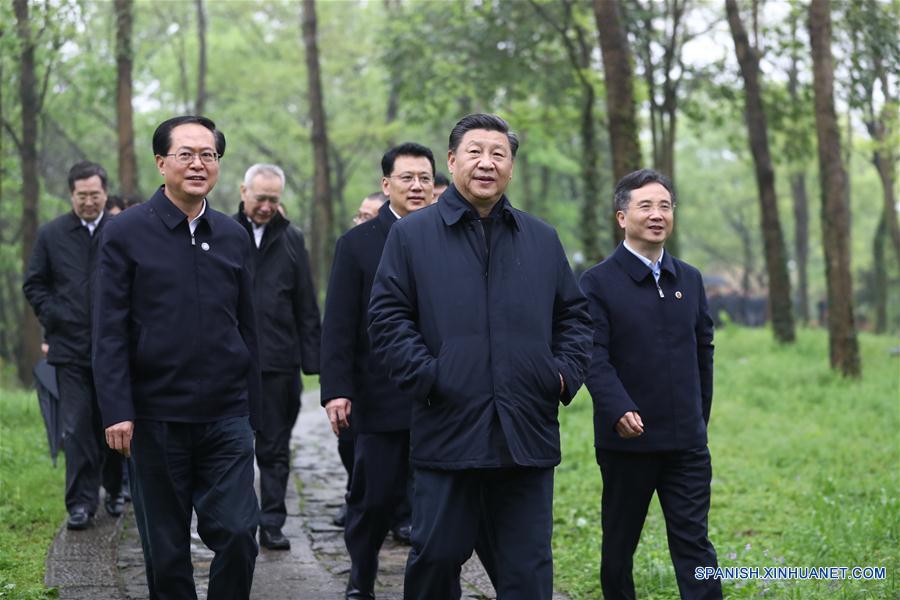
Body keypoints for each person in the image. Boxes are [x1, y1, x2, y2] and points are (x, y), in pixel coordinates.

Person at [368, 114, 593, 600]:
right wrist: (431, 378)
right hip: (449, 427)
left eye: (499, 154)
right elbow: (387, 319)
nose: (486, 163)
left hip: (526, 431)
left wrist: (559, 376)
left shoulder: (540, 238)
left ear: (511, 167)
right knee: (436, 557)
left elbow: (574, 318)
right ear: (452, 161)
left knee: (528, 569)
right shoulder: (412, 236)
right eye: (475, 152)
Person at [93, 115, 261, 599]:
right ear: (161, 162)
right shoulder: (125, 233)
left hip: (226, 415)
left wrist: (256, 408)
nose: (198, 163)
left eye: (208, 155)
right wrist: (118, 408)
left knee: (236, 533)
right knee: (166, 552)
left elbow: (248, 325)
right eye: (186, 154)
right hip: (154, 416)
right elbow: (108, 330)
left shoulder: (231, 234)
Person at [579, 169, 721, 600]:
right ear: (622, 217)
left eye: (664, 206)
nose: (657, 214)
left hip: (686, 445)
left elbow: (704, 351)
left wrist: (699, 418)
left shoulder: (690, 280)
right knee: (619, 548)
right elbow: (592, 356)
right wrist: (618, 408)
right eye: (646, 206)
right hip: (627, 443)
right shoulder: (597, 282)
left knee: (695, 545)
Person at [321, 142, 435, 599]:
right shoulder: (357, 244)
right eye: (407, 177)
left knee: (437, 502)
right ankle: (360, 577)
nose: (417, 186)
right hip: (378, 396)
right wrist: (336, 390)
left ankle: (431, 583)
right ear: (387, 184)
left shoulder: (449, 236)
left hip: (441, 397)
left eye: (425, 178)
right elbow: (339, 324)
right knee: (373, 500)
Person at [23, 161, 125, 530]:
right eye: (81, 196)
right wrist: (56, 315)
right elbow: (34, 284)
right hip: (70, 350)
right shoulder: (52, 235)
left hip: (115, 349)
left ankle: (115, 490)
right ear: (71, 195)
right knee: (78, 427)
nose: (88, 202)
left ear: (105, 193)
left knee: (113, 423)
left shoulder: (121, 230)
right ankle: (81, 503)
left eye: (94, 195)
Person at [234, 163, 321, 551]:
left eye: (274, 199)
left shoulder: (292, 239)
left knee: (274, 449)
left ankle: (271, 522)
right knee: (232, 449)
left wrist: (315, 363)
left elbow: (305, 304)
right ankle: (236, 523)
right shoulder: (221, 233)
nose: (267, 206)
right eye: (261, 198)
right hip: (231, 365)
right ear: (243, 193)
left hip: (278, 364)